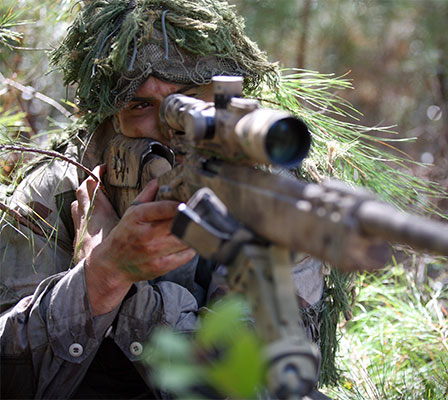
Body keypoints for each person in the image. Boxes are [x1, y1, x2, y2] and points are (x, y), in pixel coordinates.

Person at [0, 0, 325, 398]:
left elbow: (247, 386)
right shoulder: (58, 191)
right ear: (108, 116)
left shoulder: (271, 204)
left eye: (189, 98)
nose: (170, 130)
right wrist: (100, 277)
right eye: (140, 105)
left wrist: (125, 288)